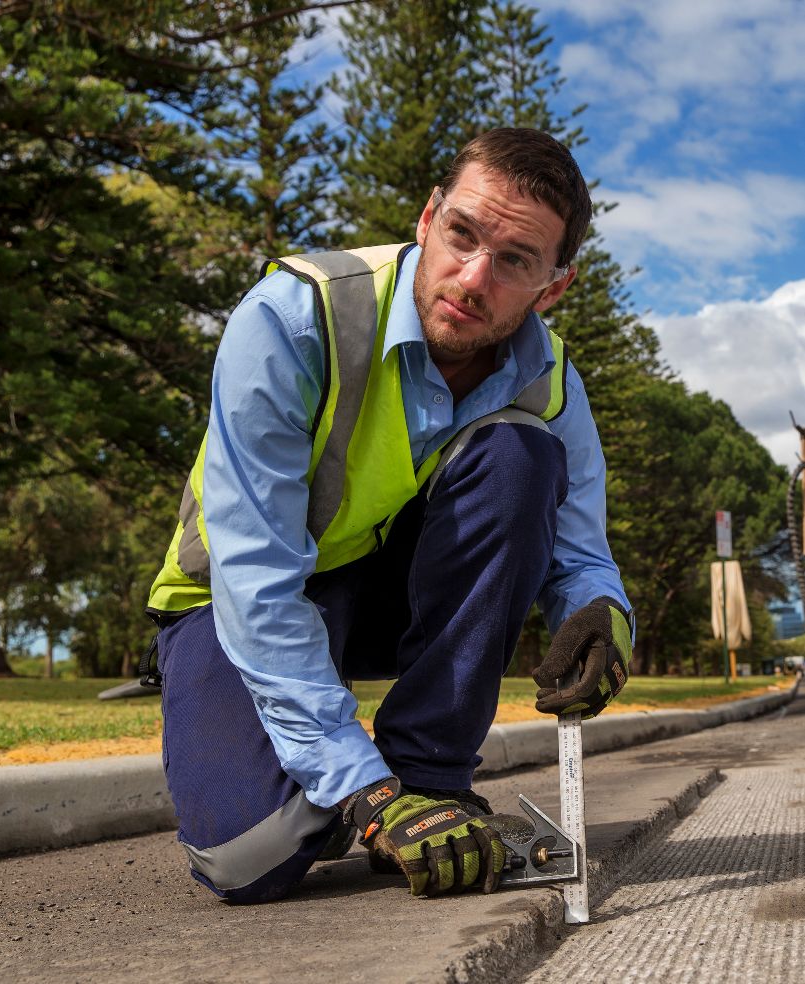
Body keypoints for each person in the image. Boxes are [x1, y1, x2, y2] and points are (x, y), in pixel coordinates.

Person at [146, 127, 633, 904]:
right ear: (426, 219)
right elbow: (255, 575)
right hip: (238, 599)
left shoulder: (550, 381)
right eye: (461, 234)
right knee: (247, 857)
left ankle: (432, 779)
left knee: (520, 454)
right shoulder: (293, 318)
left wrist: (603, 615)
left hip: (384, 601)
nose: (472, 279)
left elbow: (579, 555)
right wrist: (367, 795)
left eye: (514, 261)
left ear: (552, 286)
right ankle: (371, 796)